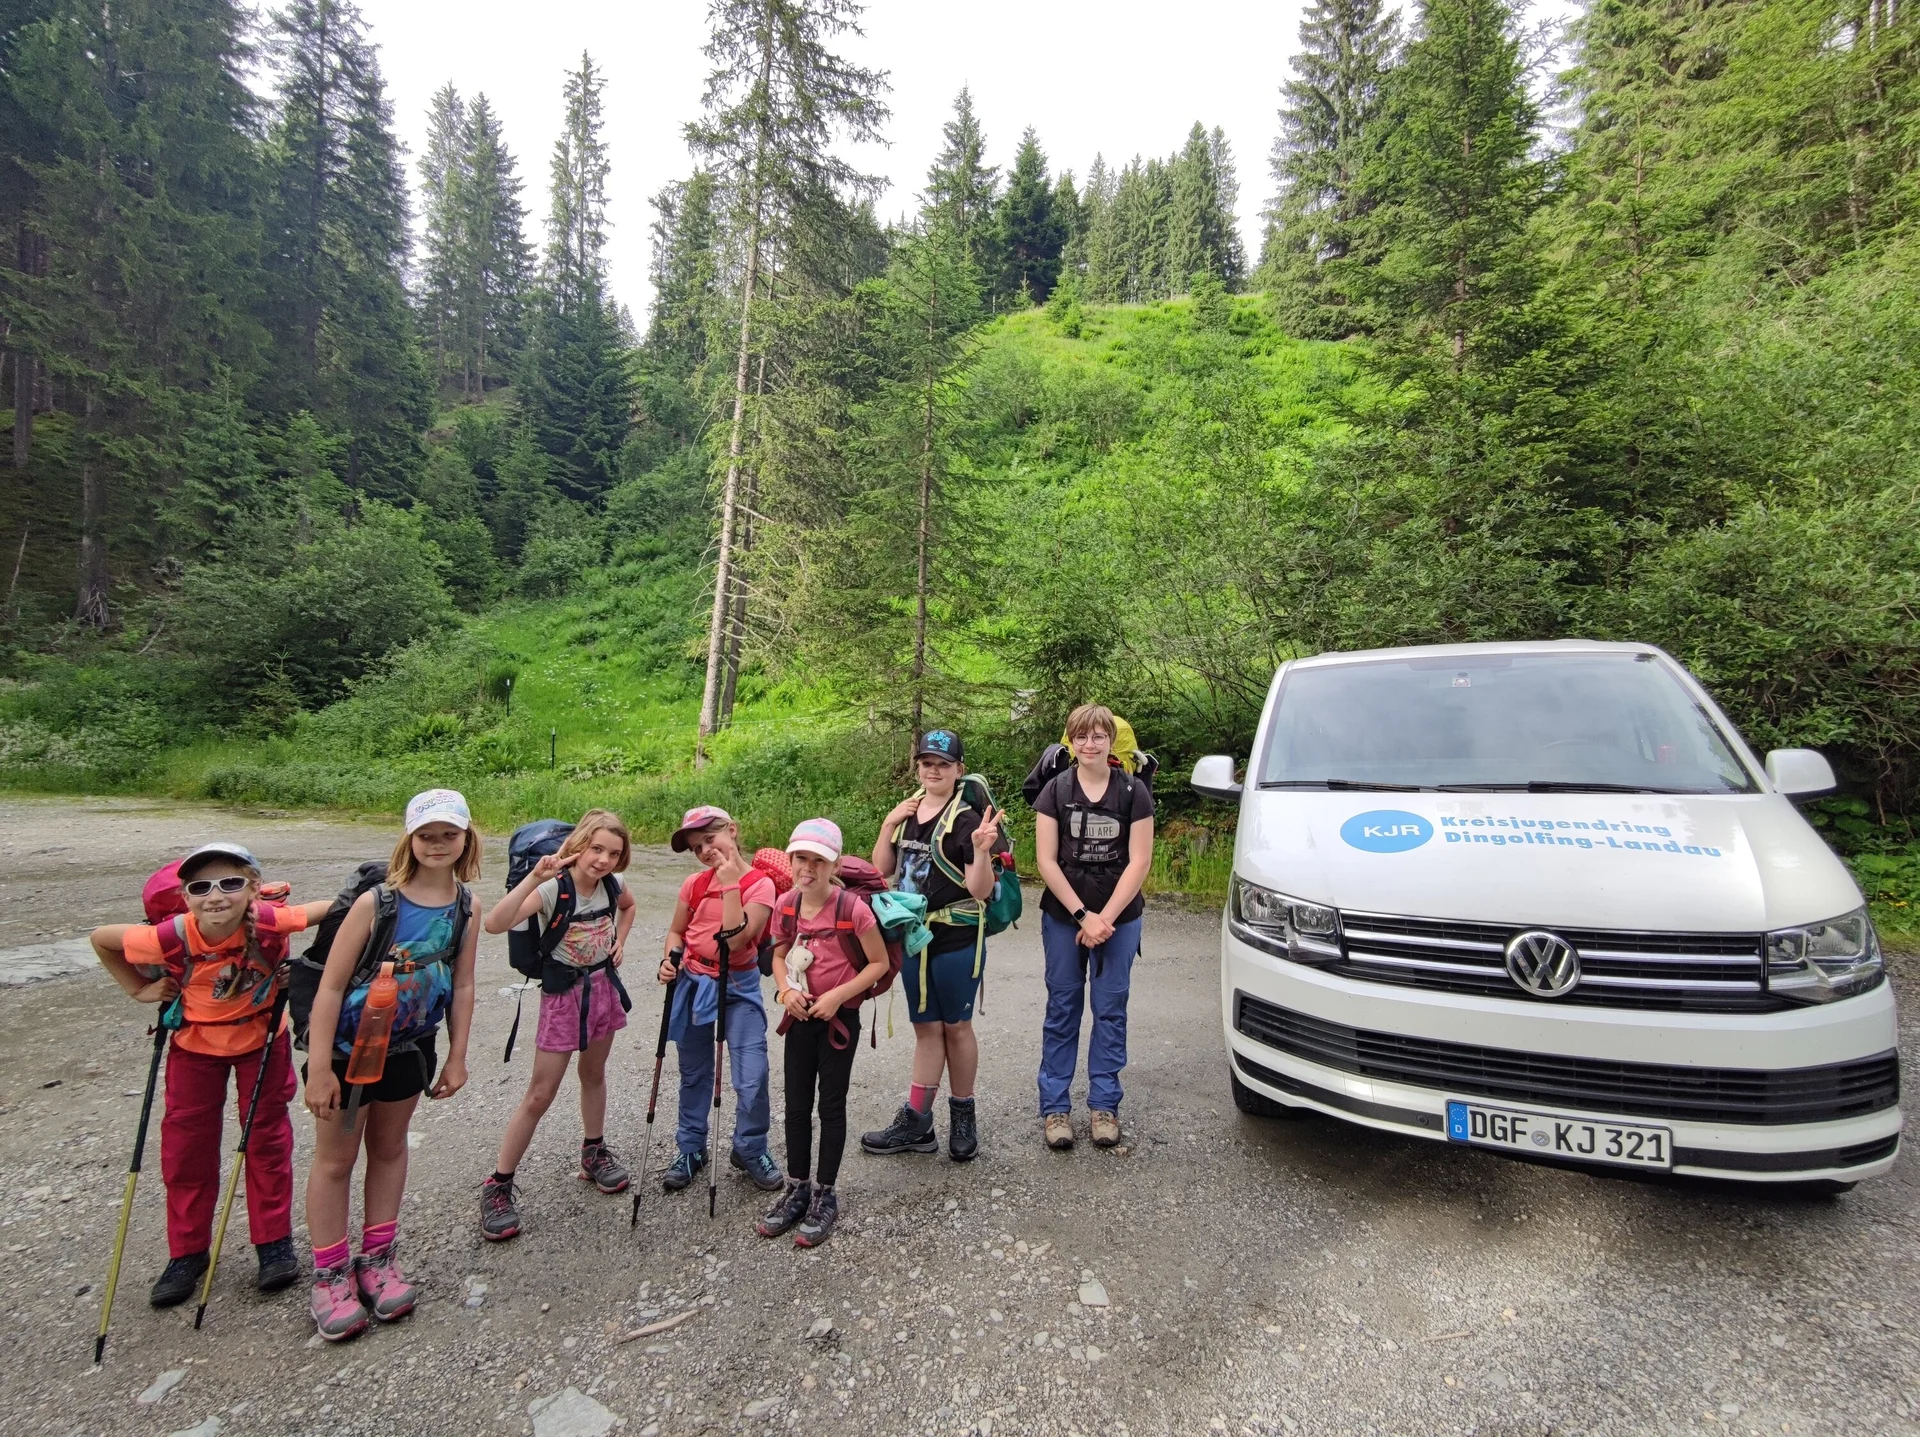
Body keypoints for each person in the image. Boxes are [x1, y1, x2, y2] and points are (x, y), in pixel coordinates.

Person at [90, 844, 332, 1307]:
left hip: (261, 1039)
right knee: (186, 1149)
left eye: (230, 883)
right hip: (192, 1046)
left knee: (265, 1140)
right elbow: (102, 937)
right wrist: (138, 989)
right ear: (184, 896)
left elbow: (335, 910)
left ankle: (273, 1243)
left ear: (254, 889)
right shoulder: (169, 936)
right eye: (200, 887)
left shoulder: (270, 921)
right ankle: (187, 1252)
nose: (215, 896)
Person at [301, 789, 481, 1342]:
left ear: (465, 839)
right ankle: (330, 1274)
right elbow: (330, 986)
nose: (436, 844)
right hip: (347, 1052)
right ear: (409, 838)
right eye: (426, 835)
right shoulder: (375, 904)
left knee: (390, 1148)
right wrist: (320, 1068)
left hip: (410, 1046)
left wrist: (456, 1056)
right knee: (335, 1159)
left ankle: (378, 1259)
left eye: (448, 834)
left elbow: (465, 984)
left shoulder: (466, 907)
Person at [479, 809, 638, 1241]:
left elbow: (628, 907)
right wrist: (534, 878)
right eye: (597, 848)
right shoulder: (553, 890)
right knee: (540, 1093)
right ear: (579, 845)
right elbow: (495, 924)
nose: (603, 859)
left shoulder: (613, 885)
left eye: (613, 853)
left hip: (603, 988)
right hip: (563, 997)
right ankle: (498, 1184)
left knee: (594, 1074)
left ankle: (593, 1152)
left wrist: (619, 941)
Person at [862, 729, 1002, 1162]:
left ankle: (963, 1115)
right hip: (913, 937)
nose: (934, 770)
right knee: (925, 1028)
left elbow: (981, 891)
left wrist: (981, 851)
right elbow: (880, 870)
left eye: (943, 764)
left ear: (959, 770)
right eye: (927, 763)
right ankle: (918, 1122)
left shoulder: (964, 821)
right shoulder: (907, 813)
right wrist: (888, 822)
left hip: (957, 937)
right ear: (918, 767)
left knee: (956, 1028)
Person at [758, 819, 892, 1248]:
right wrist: (784, 990)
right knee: (796, 1106)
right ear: (791, 858)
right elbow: (778, 954)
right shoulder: (786, 905)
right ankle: (798, 1187)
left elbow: (878, 964)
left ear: (833, 862)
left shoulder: (852, 908)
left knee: (831, 1107)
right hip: (799, 1017)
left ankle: (825, 1193)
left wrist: (837, 997)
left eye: (818, 860)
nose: (807, 868)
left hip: (838, 1020)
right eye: (801, 858)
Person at [1032, 704, 1155, 1149]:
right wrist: (1084, 916)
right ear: (1070, 742)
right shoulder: (1054, 791)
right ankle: (1056, 1108)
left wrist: (1105, 918)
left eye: (1099, 736)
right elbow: (1046, 860)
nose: (1090, 745)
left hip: (1120, 918)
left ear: (1111, 741)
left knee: (1110, 1008)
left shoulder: (1134, 791)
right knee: (1063, 1008)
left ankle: (1104, 1104)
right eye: (1081, 737)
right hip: (1065, 917)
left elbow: (1139, 859)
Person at [656, 806, 783, 1195]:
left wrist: (729, 884)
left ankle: (749, 1147)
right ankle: (691, 1148)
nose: (705, 851)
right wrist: (668, 960)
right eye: (697, 847)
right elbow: (677, 931)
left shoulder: (761, 885)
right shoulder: (694, 884)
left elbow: (737, 939)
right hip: (693, 981)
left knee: (752, 1075)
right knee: (694, 1073)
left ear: (732, 830)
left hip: (738, 984)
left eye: (710, 840)